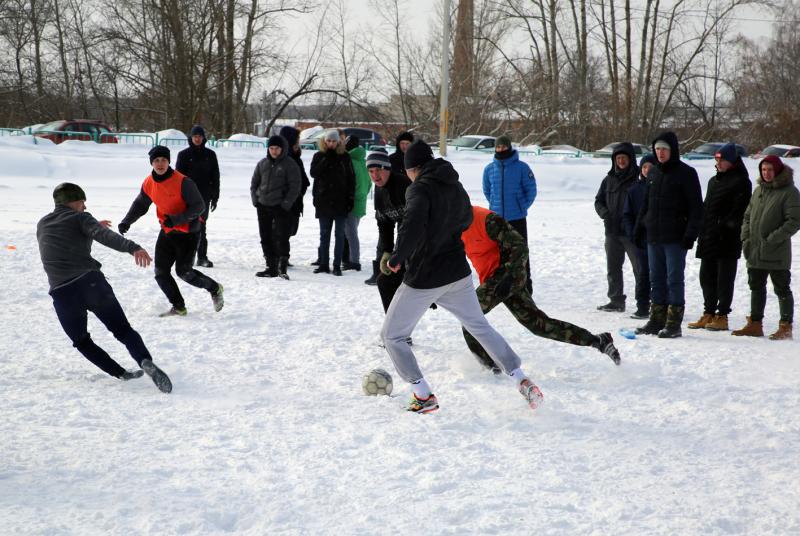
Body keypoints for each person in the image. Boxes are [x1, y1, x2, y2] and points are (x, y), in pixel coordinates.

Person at [381, 139, 544, 414]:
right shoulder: (453, 184)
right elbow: (466, 220)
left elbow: (411, 227)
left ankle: (422, 395)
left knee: (392, 336)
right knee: (479, 326)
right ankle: (519, 377)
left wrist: (397, 258)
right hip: (457, 272)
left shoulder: (418, 189)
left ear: (413, 168)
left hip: (426, 276)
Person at [37, 183, 172, 393]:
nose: (84, 206)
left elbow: (62, 239)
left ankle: (120, 373)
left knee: (81, 341)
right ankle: (144, 360)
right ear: (74, 202)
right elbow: (104, 236)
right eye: (82, 202)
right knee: (122, 329)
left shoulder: (43, 223)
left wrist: (90, 227)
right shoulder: (81, 218)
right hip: (90, 283)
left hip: (62, 293)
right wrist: (132, 247)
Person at [462, 205, 621, 372]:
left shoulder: (487, 220)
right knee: (538, 325)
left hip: (508, 275)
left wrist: (509, 277)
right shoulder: (453, 226)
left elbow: (519, 246)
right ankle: (598, 340)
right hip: (493, 279)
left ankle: (491, 368)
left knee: (470, 317)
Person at [119, 145, 224, 316]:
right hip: (168, 232)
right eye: (156, 161)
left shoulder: (183, 182)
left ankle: (215, 289)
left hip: (189, 232)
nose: (160, 164)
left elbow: (199, 206)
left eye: (164, 160)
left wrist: (176, 219)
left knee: (184, 272)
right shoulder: (149, 183)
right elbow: (141, 204)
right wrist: (127, 221)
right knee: (160, 273)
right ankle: (179, 307)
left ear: (169, 161)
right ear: (152, 163)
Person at [634, 132, 703, 338]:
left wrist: (690, 234)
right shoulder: (653, 173)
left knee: (674, 279)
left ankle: (673, 323)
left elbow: (696, 208)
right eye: (657, 149)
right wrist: (639, 227)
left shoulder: (686, 173)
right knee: (656, 279)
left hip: (675, 238)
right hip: (654, 236)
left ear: (672, 150)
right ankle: (657, 319)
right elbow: (646, 204)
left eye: (664, 149)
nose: (660, 153)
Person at [732, 155, 800, 340]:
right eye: (763, 170)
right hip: (754, 249)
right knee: (756, 286)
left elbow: (794, 221)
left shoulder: (790, 192)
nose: (766, 173)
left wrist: (772, 239)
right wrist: (745, 238)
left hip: (776, 251)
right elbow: (747, 216)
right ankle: (755, 324)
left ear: (777, 170)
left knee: (781, 288)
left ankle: (785, 326)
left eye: (770, 170)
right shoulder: (758, 190)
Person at [687, 143, 752, 331]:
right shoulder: (713, 181)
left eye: (722, 160)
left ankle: (722, 315)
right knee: (705, 276)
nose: (719, 163)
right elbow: (706, 207)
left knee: (724, 279)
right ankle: (708, 312)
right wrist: (702, 227)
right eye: (717, 160)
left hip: (727, 239)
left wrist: (723, 225)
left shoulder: (741, 181)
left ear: (731, 161)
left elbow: (739, 211)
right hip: (708, 237)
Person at [482, 134, 537, 293]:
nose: (501, 149)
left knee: (521, 252)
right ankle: (503, 287)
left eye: (504, 146)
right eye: (498, 147)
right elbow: (487, 190)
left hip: (517, 218)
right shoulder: (489, 169)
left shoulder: (522, 167)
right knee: (500, 254)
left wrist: (521, 206)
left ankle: (526, 286)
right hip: (497, 219)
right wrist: (494, 206)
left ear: (509, 147)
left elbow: (531, 190)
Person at [595, 142, 643, 313]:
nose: (621, 161)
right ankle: (616, 300)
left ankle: (644, 302)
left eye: (624, 158)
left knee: (640, 268)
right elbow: (598, 201)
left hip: (632, 233)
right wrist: (604, 214)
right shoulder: (608, 180)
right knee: (613, 268)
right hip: (612, 231)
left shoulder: (639, 178)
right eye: (618, 158)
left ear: (631, 159)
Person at [365, 150, 412, 312]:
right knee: (385, 282)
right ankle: (395, 330)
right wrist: (386, 251)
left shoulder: (405, 185)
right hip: (405, 243)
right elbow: (384, 223)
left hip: (423, 243)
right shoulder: (378, 190)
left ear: (388, 169)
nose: (375, 176)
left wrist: (399, 254)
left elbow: (414, 225)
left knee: (417, 289)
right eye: (371, 171)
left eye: (378, 170)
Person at [250, 134, 302, 279]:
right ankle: (270, 266)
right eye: (271, 148)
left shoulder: (290, 164)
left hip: (280, 207)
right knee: (265, 237)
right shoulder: (262, 164)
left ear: (282, 149)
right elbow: (254, 184)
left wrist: (285, 204)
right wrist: (256, 200)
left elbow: (295, 187)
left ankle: (282, 267)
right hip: (263, 205)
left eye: (277, 148)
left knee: (281, 237)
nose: (274, 151)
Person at [310, 130, 355, 276]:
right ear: (324, 141)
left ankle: (337, 265)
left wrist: (350, 199)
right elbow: (314, 173)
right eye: (328, 141)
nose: (331, 143)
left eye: (333, 141)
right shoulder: (318, 156)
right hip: (323, 202)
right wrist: (326, 160)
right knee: (324, 235)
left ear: (338, 142)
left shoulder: (344, 157)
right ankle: (324, 264)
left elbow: (351, 179)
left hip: (340, 202)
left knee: (340, 235)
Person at [175, 125, 220, 268]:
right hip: (187, 197)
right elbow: (177, 178)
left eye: (200, 136)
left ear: (204, 138)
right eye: (195, 136)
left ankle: (202, 257)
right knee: (185, 227)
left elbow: (216, 177)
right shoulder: (183, 155)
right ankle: (183, 256)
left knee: (201, 227)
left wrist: (215, 196)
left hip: (204, 197)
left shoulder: (210, 155)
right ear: (191, 138)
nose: (198, 139)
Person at [622, 153, 655, 319]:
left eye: (650, 166)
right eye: (644, 167)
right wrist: (632, 233)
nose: (647, 170)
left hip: (658, 237)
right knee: (643, 274)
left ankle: (663, 306)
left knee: (660, 274)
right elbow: (627, 214)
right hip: (640, 238)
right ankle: (642, 306)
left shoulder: (660, 186)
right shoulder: (634, 189)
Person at [279, 125, 311, 266]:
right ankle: (279, 256)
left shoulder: (295, 157)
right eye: (297, 140)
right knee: (283, 229)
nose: (298, 143)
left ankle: (282, 255)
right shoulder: (284, 158)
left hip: (295, 201)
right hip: (286, 201)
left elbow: (303, 180)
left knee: (290, 229)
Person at [343, 135, 372, 271]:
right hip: (361, 202)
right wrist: (362, 195)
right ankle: (350, 259)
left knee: (351, 234)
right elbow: (369, 183)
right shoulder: (363, 161)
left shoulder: (349, 161)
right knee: (351, 233)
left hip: (351, 202)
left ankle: (354, 262)